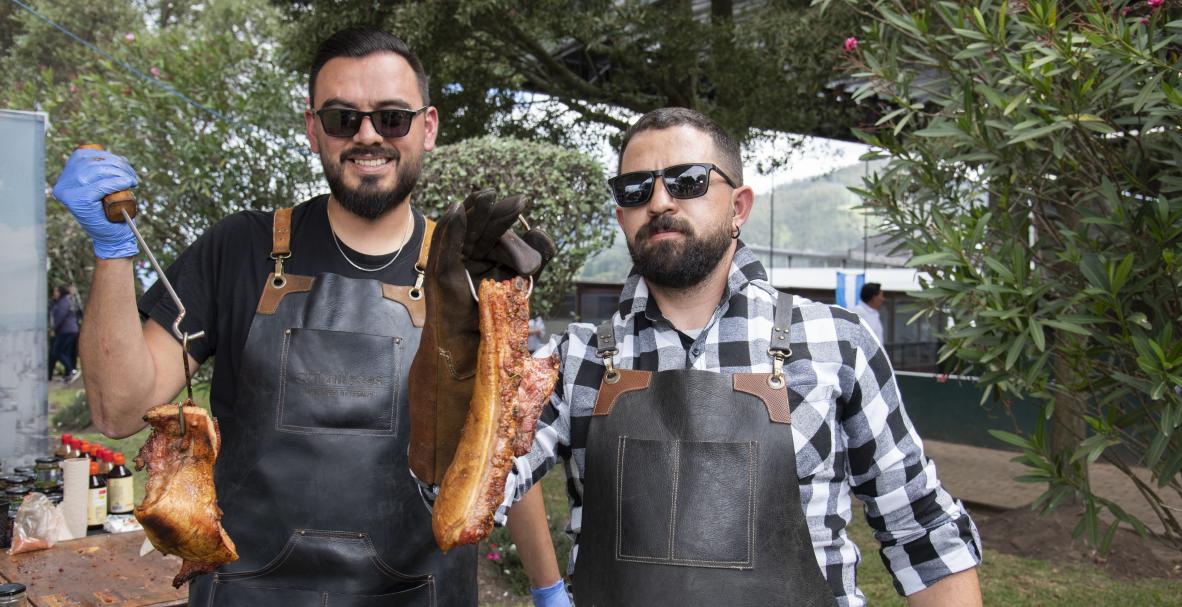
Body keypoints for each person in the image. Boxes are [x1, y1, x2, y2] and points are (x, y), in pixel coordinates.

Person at [51, 26, 557, 606]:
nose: (368, 136)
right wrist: (112, 251)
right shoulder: (239, 249)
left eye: (392, 117)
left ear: (429, 126)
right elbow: (117, 409)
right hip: (245, 594)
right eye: (343, 118)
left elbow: (504, 446)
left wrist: (548, 588)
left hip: (423, 595)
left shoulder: (467, 267)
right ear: (313, 129)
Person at [500, 108, 983, 606]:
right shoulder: (572, 359)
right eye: (636, 188)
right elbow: (472, 492)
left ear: (739, 206)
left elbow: (921, 529)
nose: (660, 201)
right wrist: (463, 340)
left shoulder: (836, 342)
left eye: (687, 181)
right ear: (622, 215)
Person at [48, 285, 81, 383]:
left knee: (57, 352)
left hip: (65, 331)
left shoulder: (63, 303)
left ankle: (72, 371)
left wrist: (53, 329)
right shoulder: (64, 302)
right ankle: (70, 374)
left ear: (60, 292)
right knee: (64, 352)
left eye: (56, 292)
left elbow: (59, 317)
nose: (54, 294)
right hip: (70, 330)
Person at [854, 281, 886, 346]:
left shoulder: (875, 313)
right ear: (874, 297)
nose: (883, 299)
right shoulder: (857, 311)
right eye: (881, 296)